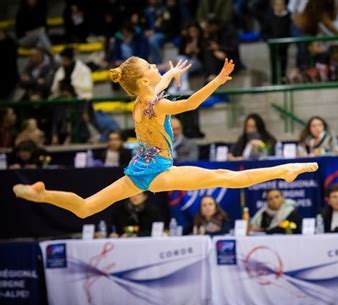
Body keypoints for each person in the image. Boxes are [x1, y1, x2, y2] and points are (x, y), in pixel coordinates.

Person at [13, 57, 318, 219]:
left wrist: (170, 76)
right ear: (145, 79)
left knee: (85, 208)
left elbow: (154, 91)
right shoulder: (157, 106)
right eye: (150, 66)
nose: (155, 65)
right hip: (158, 169)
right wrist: (217, 80)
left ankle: (42, 195)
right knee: (225, 176)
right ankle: (285, 170)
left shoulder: (138, 104)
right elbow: (190, 104)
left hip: (137, 171)